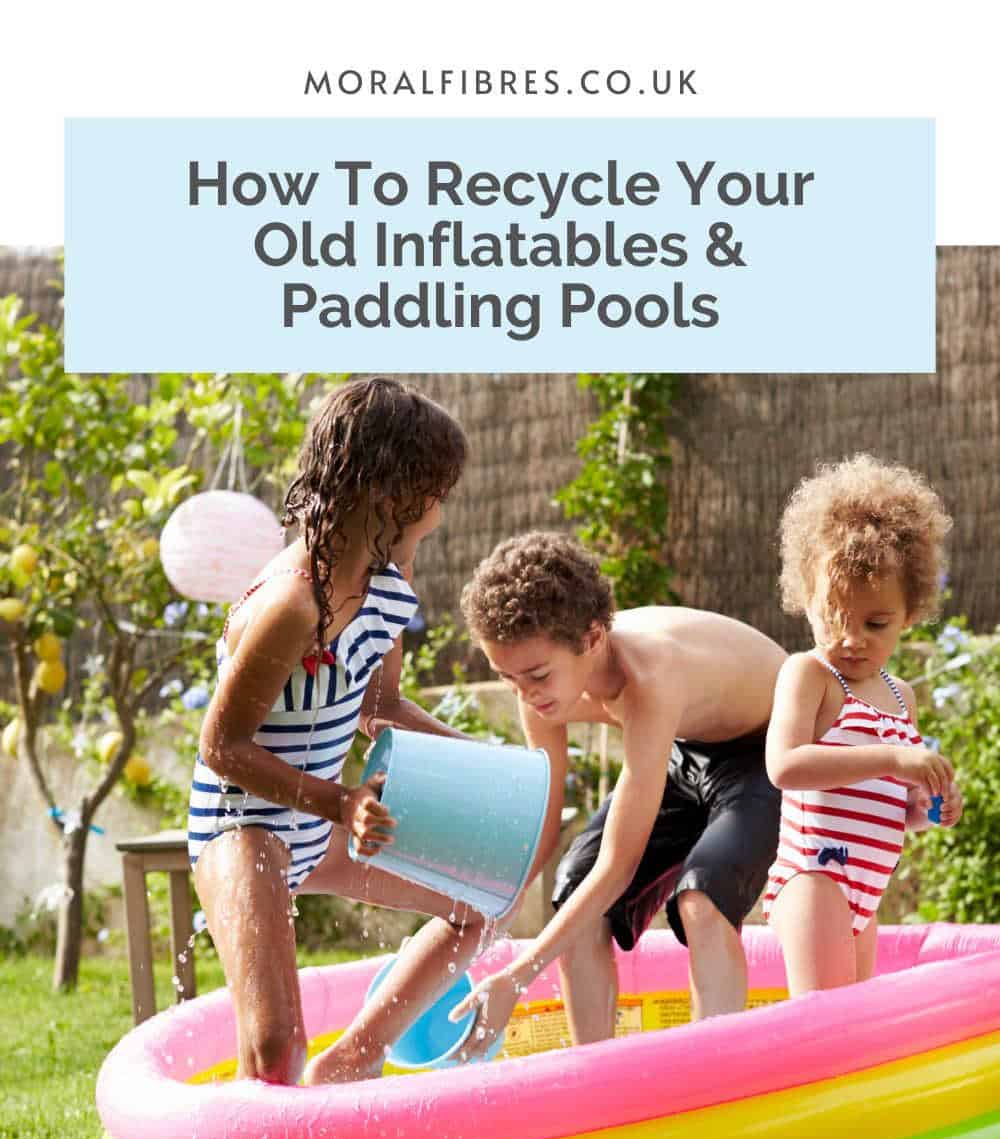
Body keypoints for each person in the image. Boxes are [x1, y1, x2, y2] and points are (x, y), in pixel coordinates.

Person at [189, 376, 486, 1086]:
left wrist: (483, 761)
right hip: (244, 826)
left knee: (475, 910)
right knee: (272, 1050)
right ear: (393, 495)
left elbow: (379, 708)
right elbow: (220, 748)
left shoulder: (389, 587)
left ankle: (353, 1061)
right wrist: (341, 804)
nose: (441, 512)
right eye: (437, 493)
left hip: (319, 824)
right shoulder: (291, 604)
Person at [449, 531, 787, 1055]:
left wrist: (518, 976)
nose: (525, 694)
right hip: (683, 747)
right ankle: (596, 1074)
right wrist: (488, 912)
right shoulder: (536, 690)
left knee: (702, 897)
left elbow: (620, 865)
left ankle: (715, 1075)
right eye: (508, 679)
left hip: (767, 749)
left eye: (537, 675)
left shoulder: (650, 675)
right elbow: (546, 820)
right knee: (573, 893)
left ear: (591, 638)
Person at [762, 454, 962, 996]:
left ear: (910, 613)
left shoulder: (902, 697)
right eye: (834, 619)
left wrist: (926, 809)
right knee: (824, 1022)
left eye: (875, 623)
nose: (852, 639)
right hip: (816, 875)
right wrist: (895, 759)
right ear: (806, 601)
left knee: (853, 1022)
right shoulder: (811, 674)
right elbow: (784, 766)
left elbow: (889, 808)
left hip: (867, 888)